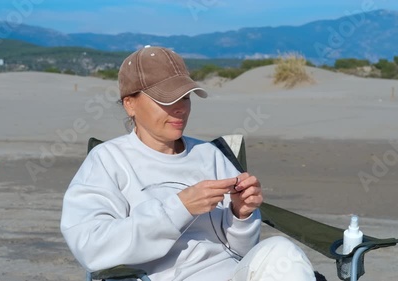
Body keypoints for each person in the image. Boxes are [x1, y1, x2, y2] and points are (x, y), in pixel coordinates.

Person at [60, 45, 316, 281]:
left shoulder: (210, 154)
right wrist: (180, 208)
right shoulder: (108, 160)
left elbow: (241, 251)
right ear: (130, 104)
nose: (180, 109)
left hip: (231, 274)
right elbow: (91, 248)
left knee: (282, 252)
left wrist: (241, 215)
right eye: (165, 100)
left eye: (185, 97)